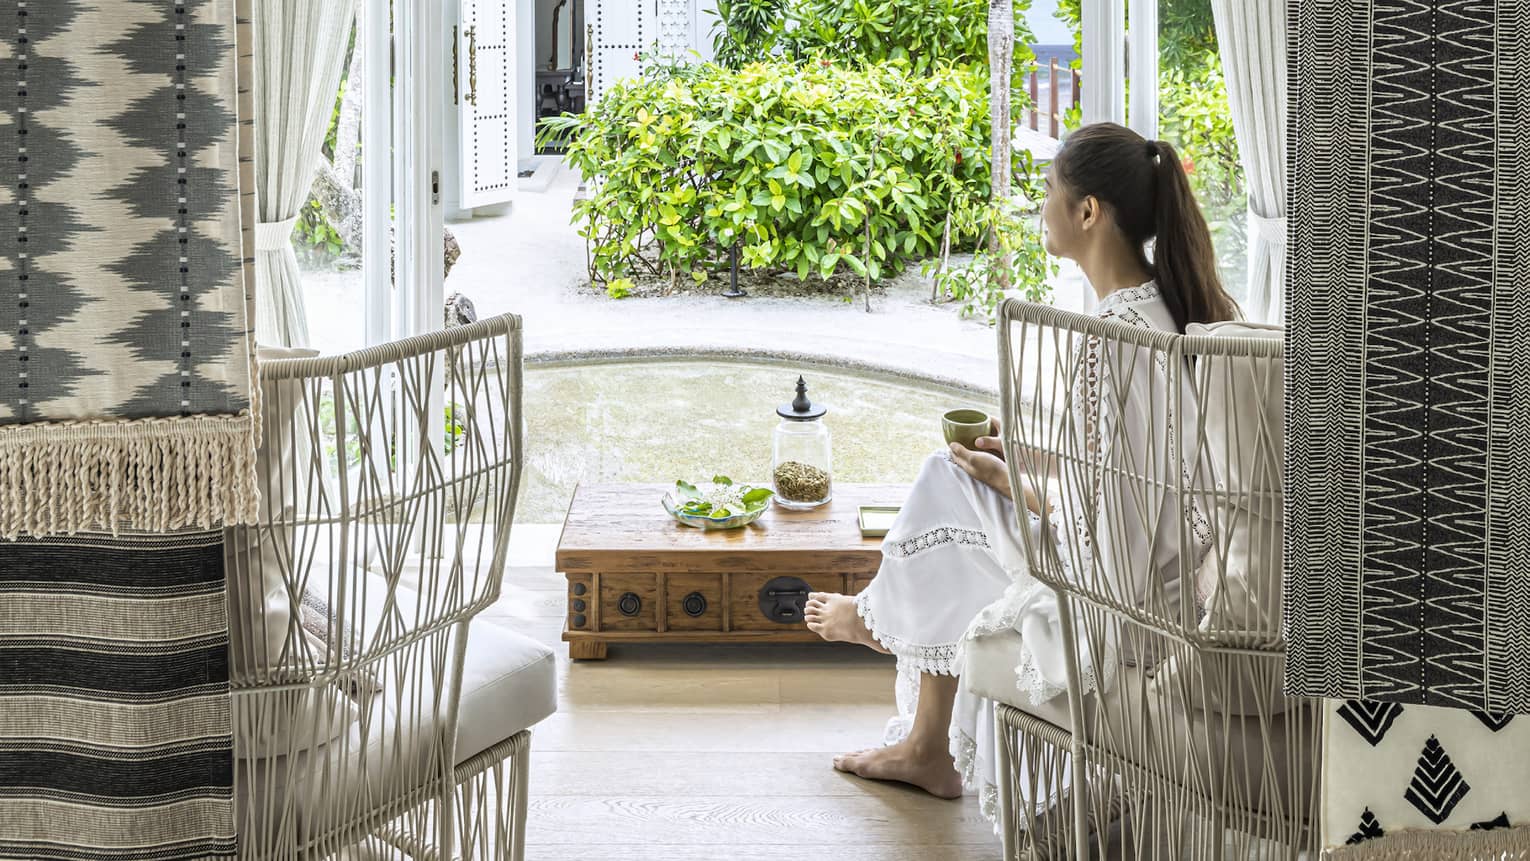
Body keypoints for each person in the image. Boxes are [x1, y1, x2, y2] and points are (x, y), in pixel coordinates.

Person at [803, 122, 1241, 820]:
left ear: (1088, 212)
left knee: (947, 487)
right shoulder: (1159, 311)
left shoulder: (1111, 342)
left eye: (1047, 192)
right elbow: (1137, 491)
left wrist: (1020, 487)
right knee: (952, 478)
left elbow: (1109, 553)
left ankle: (894, 662)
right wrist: (1033, 466)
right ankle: (920, 729)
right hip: (1158, 582)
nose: (1040, 206)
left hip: (1123, 611)